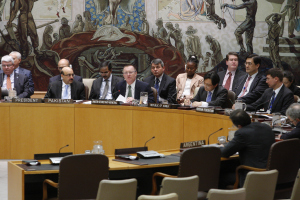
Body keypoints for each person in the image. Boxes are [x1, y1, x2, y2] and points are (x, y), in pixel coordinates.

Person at [220, 109, 275, 187]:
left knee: (219, 177)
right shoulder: (265, 126)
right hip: (270, 171)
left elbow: (224, 153)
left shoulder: (242, 133)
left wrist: (221, 147)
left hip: (252, 174)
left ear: (239, 126)